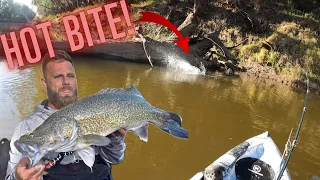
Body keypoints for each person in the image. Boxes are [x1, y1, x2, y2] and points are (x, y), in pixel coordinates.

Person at [6, 50, 126, 180]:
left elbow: (114, 159)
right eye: (58, 76)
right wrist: (18, 177)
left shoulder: (97, 112)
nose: (66, 81)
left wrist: (116, 138)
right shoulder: (26, 127)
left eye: (70, 75)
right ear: (44, 83)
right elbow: (9, 176)